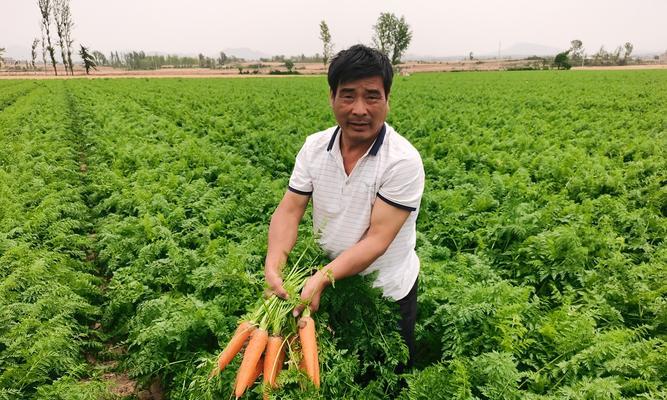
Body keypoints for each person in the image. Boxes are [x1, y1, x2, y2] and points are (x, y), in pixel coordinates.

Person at [264, 44, 425, 369]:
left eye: (372, 96)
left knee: (386, 377)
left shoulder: (402, 161)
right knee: (334, 370)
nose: (359, 109)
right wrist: (274, 262)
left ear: (388, 99)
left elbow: (377, 239)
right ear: (332, 97)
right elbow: (290, 210)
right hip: (331, 284)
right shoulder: (314, 147)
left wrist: (323, 277)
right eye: (348, 95)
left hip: (385, 294)